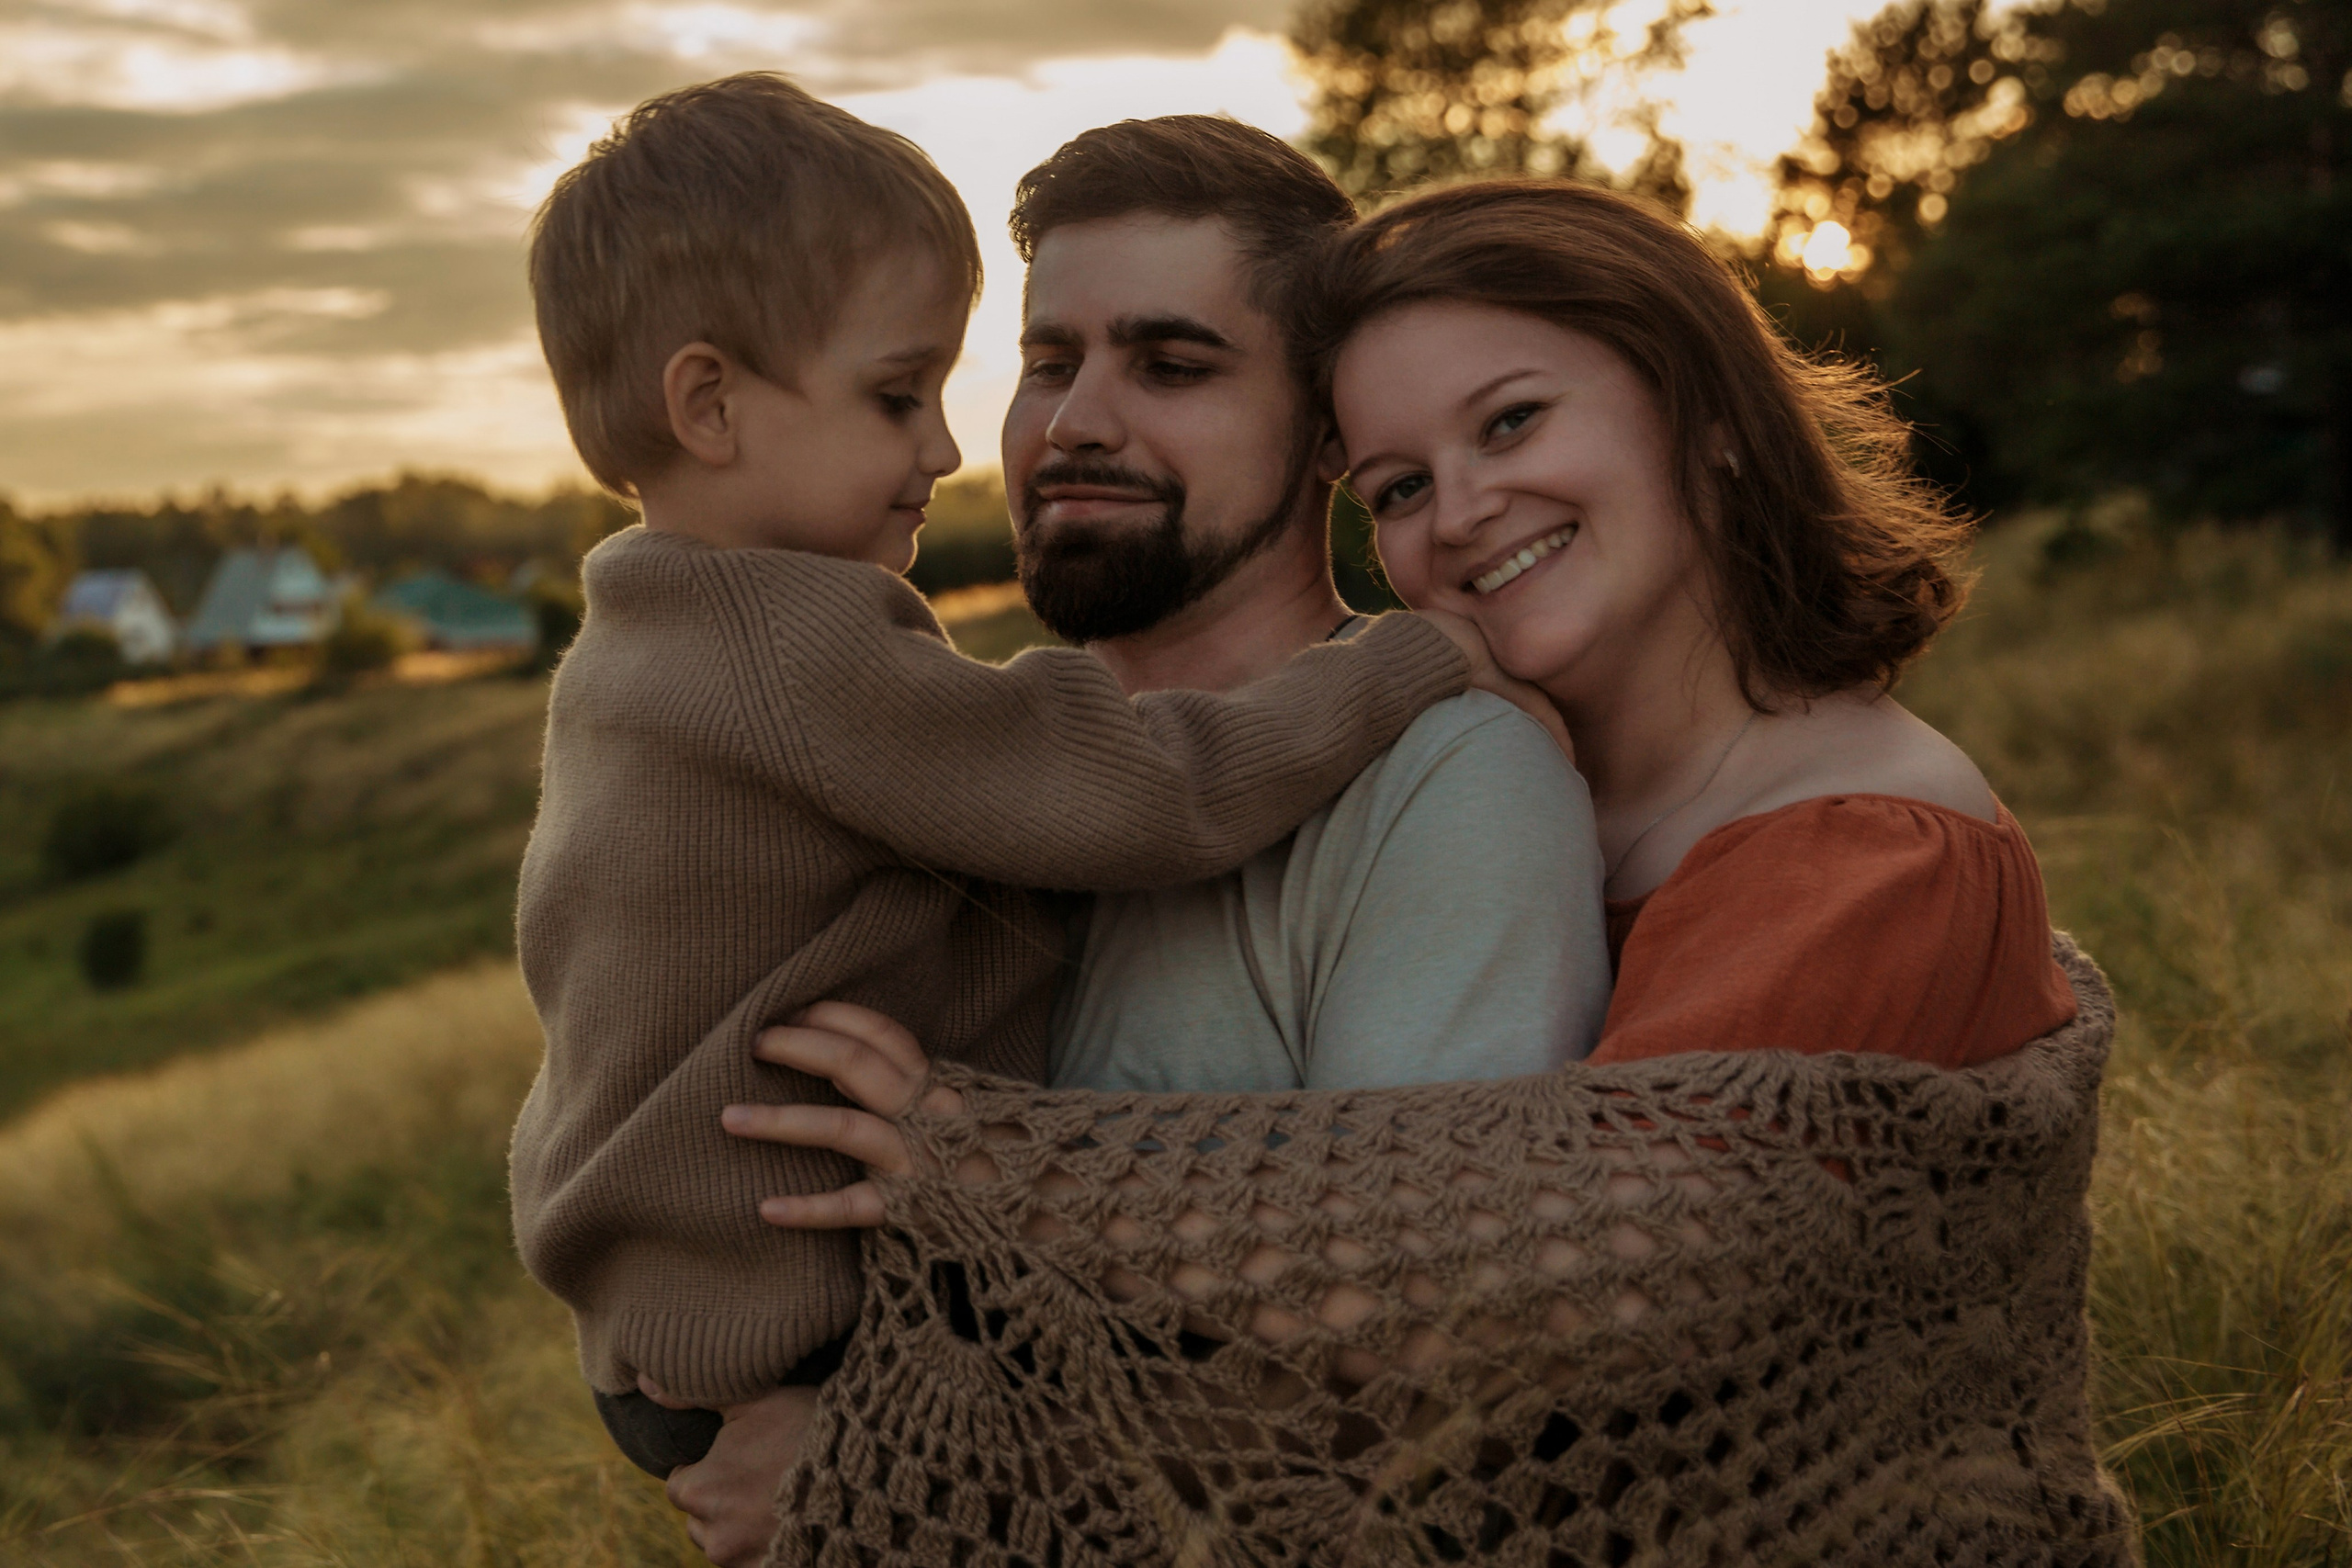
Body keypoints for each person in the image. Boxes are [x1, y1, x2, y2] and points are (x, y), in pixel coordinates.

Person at [730, 177, 2096, 1559]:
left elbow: (1541, 1316)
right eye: (1400, 486)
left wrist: (979, 1188)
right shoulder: (1573, 785)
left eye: (1512, 421)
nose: (1462, 511)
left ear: (1713, 416)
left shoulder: (1855, 849)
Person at [504, 73, 1565, 1506]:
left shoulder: (1443, 783)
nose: (1065, 423)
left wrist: (900, 1475)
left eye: (1172, 366)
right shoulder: (921, 728)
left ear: (1327, 434)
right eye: (1047, 361)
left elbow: (1427, 1367)